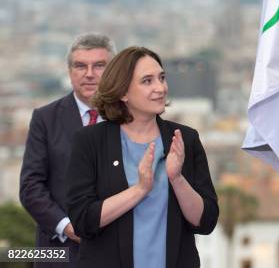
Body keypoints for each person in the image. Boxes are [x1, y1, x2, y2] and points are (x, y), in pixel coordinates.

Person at [66, 47, 218, 268]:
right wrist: (139, 190)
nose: (160, 88)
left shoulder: (185, 138)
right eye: (147, 81)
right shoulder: (90, 141)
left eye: (162, 78)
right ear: (123, 92)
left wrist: (177, 179)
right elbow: (82, 221)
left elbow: (206, 222)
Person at [20, 33, 116, 268]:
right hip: (58, 253)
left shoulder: (131, 117)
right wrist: (67, 227)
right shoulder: (45, 118)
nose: (89, 74)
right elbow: (31, 187)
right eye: (80, 66)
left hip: (118, 251)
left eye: (99, 66)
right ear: (69, 70)